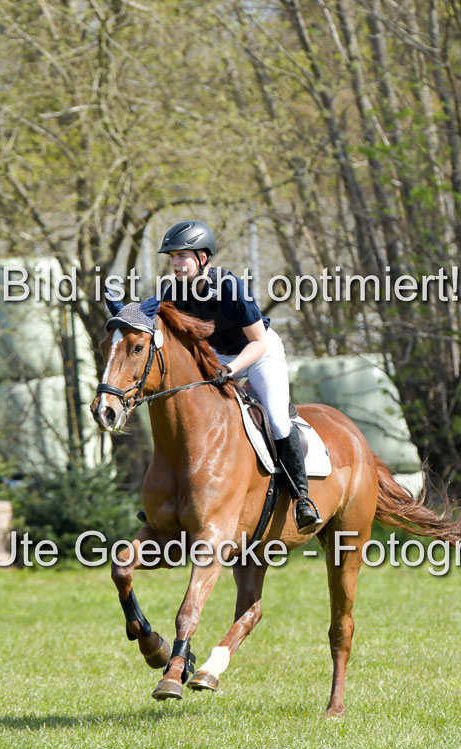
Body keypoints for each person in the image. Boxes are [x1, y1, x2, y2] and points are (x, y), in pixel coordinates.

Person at [111, 219, 320, 533]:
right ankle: (170, 497)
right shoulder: (172, 290)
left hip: (257, 352)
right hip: (217, 355)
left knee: (276, 419)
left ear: (202, 258)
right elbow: (142, 313)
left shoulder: (228, 287)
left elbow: (259, 341)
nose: (176, 263)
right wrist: (118, 309)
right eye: (172, 257)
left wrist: (231, 370)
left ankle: (302, 499)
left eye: (182, 256)